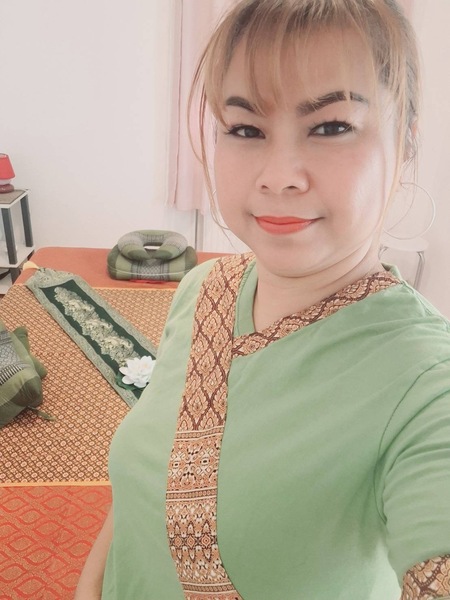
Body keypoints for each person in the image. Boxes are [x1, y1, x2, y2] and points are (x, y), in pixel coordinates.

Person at [76, 1, 450, 598]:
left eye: (331, 126)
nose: (278, 175)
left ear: (405, 141)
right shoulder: (203, 288)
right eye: (246, 129)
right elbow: (141, 486)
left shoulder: (429, 382)